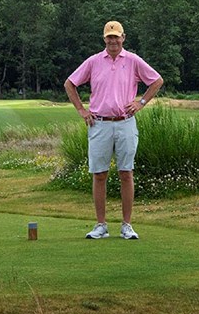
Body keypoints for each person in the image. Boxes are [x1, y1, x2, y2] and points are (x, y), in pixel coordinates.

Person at [64, 20, 164, 239]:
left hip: (125, 122)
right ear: (104, 39)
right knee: (99, 174)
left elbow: (156, 80)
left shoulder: (133, 60)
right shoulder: (93, 61)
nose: (113, 41)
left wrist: (141, 102)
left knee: (126, 173)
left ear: (123, 38)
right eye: (109, 37)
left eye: (116, 36)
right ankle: (101, 225)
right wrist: (82, 110)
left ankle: (127, 225)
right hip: (99, 123)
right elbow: (70, 83)